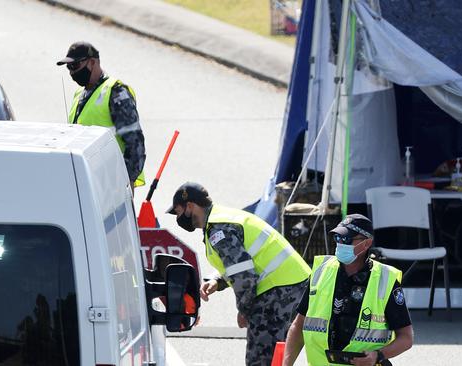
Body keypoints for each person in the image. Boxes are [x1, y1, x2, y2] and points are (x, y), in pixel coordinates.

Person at [167, 182, 311, 366]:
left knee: (261, 360)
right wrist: (218, 281)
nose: (178, 217)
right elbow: (241, 263)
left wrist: (244, 310)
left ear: (190, 206)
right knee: (276, 357)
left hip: (279, 291)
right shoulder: (223, 218)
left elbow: (244, 277)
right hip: (291, 285)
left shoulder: (219, 230)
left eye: (178, 211)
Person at [282, 214, 413, 366]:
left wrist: (378, 356)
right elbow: (298, 326)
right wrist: (286, 364)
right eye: (337, 238)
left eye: (346, 239)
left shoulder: (386, 279)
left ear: (366, 243)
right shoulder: (321, 271)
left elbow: (406, 338)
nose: (340, 243)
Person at [57, 41, 146, 188]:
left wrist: (123, 183)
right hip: (86, 181)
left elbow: (135, 144)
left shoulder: (115, 92)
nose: (72, 72)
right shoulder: (79, 94)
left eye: (75, 66)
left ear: (92, 62)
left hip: (111, 185)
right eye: (68, 68)